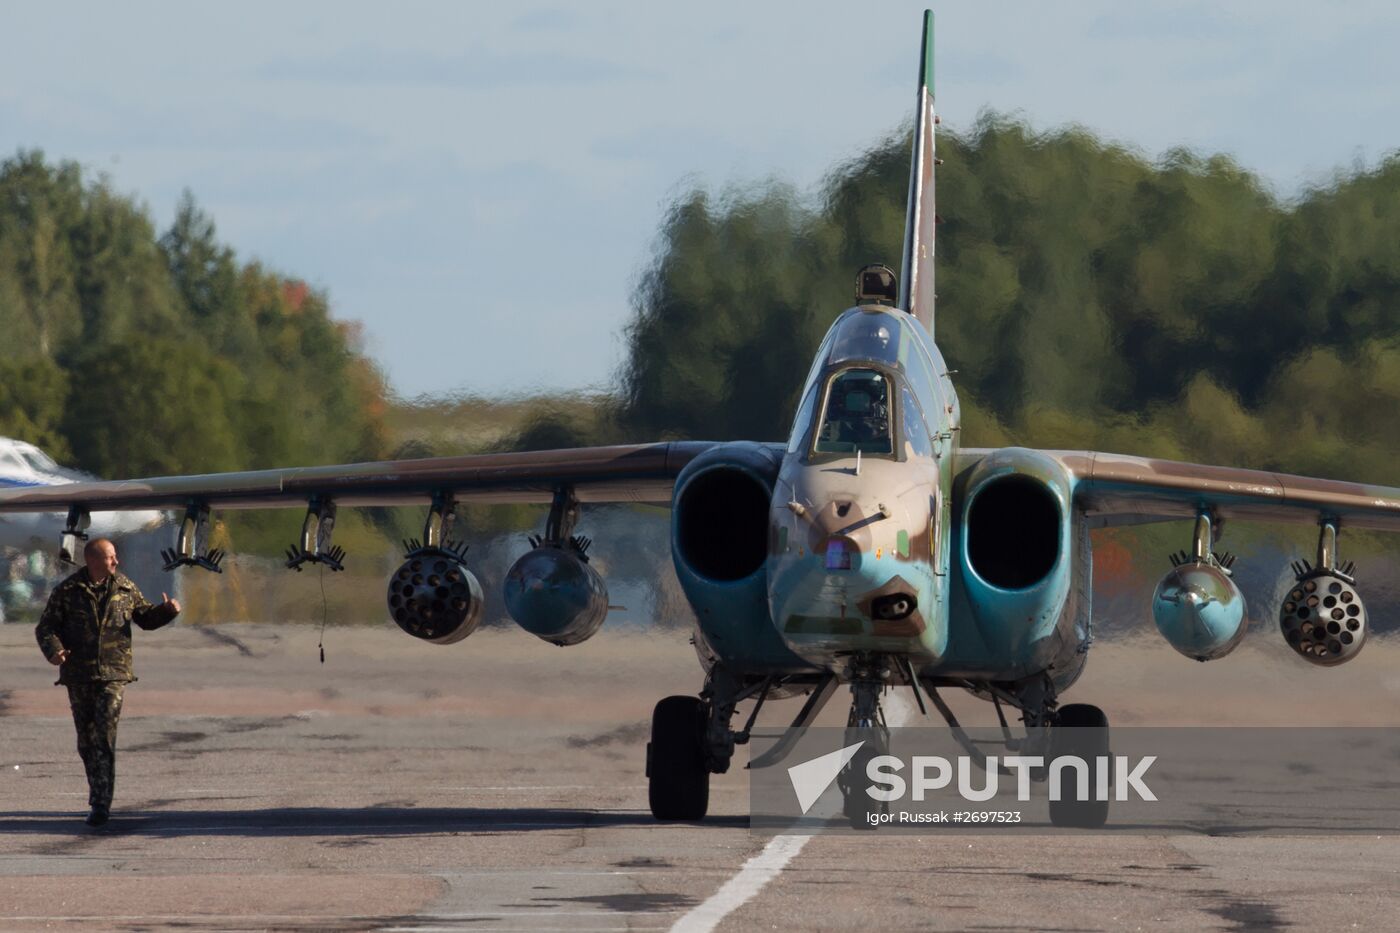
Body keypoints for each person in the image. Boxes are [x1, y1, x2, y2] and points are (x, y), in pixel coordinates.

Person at [34, 538, 181, 826]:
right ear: (92, 560)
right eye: (110, 557)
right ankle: (96, 790)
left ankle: (101, 804)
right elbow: (46, 627)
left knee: (103, 736)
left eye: (115, 557)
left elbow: (145, 618)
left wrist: (168, 611)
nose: (116, 562)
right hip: (79, 675)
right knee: (86, 742)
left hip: (114, 674)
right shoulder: (68, 591)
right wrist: (54, 651)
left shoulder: (125, 587)